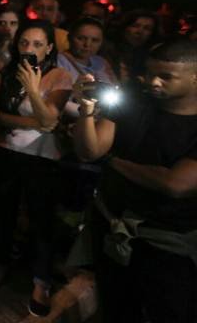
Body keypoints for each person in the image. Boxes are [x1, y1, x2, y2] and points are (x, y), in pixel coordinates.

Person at [73, 38, 197, 323]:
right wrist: (86, 110)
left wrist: (113, 161)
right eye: (151, 73)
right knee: (116, 307)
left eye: (166, 76)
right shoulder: (137, 100)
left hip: (168, 242)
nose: (154, 82)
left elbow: (175, 184)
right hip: (112, 226)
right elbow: (90, 150)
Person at [0, 20, 73, 317]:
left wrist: (33, 89)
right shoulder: (5, 74)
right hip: (7, 153)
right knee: (5, 212)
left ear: (49, 47)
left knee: (41, 219)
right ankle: (0, 263)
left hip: (42, 158)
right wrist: (37, 121)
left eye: (37, 44)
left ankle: (41, 282)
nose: (29, 49)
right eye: (24, 43)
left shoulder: (59, 76)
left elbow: (50, 120)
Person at [109, 9, 159, 87]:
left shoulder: (153, 56)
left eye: (146, 28)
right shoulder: (110, 50)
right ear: (125, 27)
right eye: (135, 26)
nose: (140, 31)